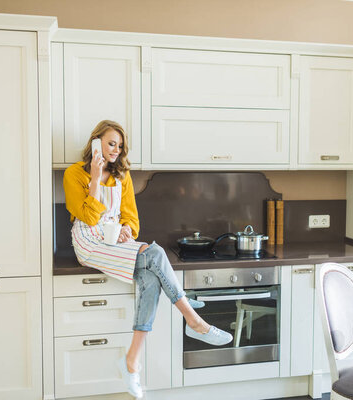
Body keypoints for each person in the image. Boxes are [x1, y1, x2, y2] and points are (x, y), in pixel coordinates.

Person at [63, 120, 232, 398]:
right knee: (155, 253)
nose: (116, 149)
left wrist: (126, 230)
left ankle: (132, 362)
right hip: (88, 242)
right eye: (110, 143)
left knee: (151, 276)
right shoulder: (74, 174)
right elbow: (89, 217)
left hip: (114, 240)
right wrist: (94, 177)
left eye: (119, 145)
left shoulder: (122, 176)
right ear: (96, 142)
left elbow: (131, 217)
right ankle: (192, 318)